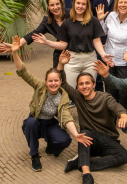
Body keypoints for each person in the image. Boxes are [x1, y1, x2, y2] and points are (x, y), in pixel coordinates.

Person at [10, 36, 92, 172]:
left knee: (64, 140)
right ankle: (34, 155)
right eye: (50, 81)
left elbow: (66, 116)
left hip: (50, 123)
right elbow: (23, 72)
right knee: (29, 124)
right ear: (46, 81)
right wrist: (14, 52)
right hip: (35, 121)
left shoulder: (64, 95)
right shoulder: (39, 86)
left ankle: (50, 144)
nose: (53, 83)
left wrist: (75, 134)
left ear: (60, 82)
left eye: (56, 81)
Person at [57, 51, 127, 184]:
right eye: (81, 84)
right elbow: (62, 82)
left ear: (94, 84)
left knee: (124, 156)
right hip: (89, 138)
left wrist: (123, 115)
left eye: (87, 83)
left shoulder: (104, 97)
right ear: (78, 87)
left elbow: (116, 107)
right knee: (84, 134)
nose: (84, 86)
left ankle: (79, 162)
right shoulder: (77, 97)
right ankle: (86, 175)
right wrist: (61, 64)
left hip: (107, 138)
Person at [31, 0, 113, 90]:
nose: (80, 6)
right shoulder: (67, 23)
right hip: (72, 60)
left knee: (88, 90)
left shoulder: (93, 21)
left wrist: (103, 54)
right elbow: (63, 44)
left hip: (90, 60)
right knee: (69, 90)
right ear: (74, 4)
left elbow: (97, 41)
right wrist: (46, 42)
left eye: (83, 4)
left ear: (87, 6)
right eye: (78, 3)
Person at [0, 0, 70, 68]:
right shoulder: (47, 22)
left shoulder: (71, 15)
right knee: (58, 78)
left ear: (61, 4)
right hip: (61, 54)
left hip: (76, 52)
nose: (55, 7)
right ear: (48, 6)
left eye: (57, 4)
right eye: (52, 5)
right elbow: (33, 34)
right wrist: (17, 44)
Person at [96, 0, 127, 114]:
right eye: (121, 2)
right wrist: (99, 20)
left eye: (126, 2)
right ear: (117, 4)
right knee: (110, 90)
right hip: (109, 59)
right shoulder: (110, 16)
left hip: (124, 61)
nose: (123, 5)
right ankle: (112, 116)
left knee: (124, 91)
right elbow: (102, 33)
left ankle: (123, 115)